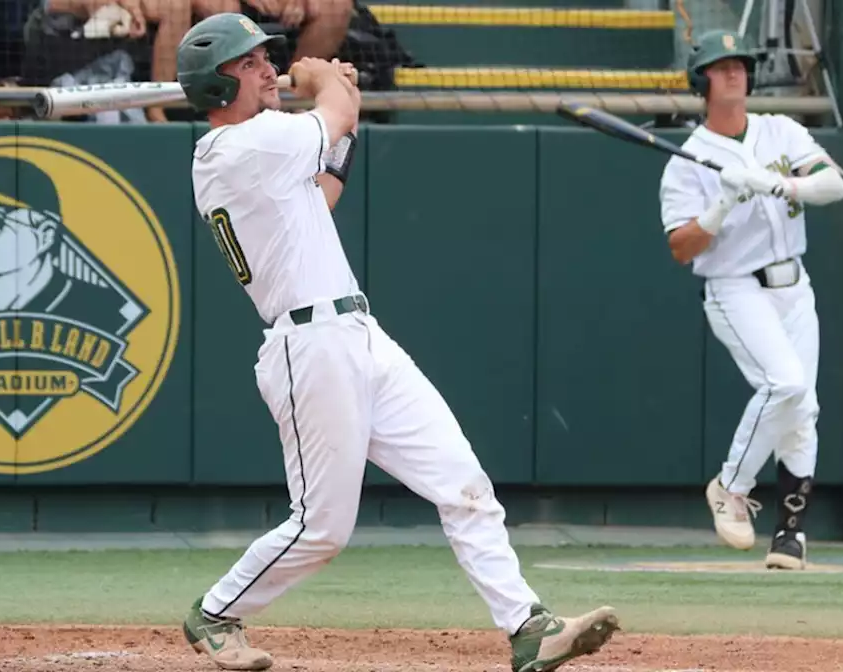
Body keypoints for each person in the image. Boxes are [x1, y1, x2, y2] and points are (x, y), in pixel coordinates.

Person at [174, 13, 620, 672]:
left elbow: (322, 193)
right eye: (249, 64)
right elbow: (338, 111)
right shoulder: (243, 145)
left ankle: (528, 625)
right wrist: (324, 77)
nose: (268, 68)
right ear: (216, 85)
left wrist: (333, 104)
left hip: (357, 333)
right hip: (310, 346)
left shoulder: (256, 152)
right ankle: (215, 614)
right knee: (322, 526)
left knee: (464, 485)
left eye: (268, 58)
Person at [657, 30, 843, 571]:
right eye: (721, 67)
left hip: (794, 284)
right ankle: (730, 486)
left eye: (740, 64)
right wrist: (722, 204)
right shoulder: (688, 160)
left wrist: (776, 186)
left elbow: (834, 183)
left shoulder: (780, 132)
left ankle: (790, 535)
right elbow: (680, 246)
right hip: (735, 286)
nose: (735, 72)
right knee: (784, 384)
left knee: (803, 407)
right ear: (703, 81)